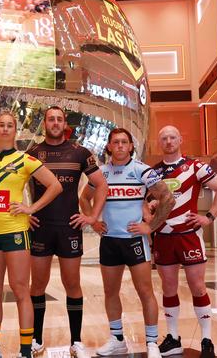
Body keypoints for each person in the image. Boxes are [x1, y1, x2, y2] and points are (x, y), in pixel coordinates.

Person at [0, 111, 61, 358]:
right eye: (2, 125)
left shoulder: (25, 160)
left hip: (16, 233)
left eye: (10, 125)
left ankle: (24, 351)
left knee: (21, 290)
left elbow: (55, 185)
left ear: (15, 131)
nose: (6, 129)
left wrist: (30, 208)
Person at [79, 128, 175, 358]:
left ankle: (152, 342)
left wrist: (150, 227)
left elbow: (167, 198)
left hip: (135, 241)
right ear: (109, 147)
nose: (120, 146)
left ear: (131, 146)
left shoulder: (142, 170)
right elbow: (84, 198)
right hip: (110, 241)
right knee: (110, 291)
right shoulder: (100, 173)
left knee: (145, 291)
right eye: (116, 142)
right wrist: (93, 222)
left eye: (124, 142)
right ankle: (117, 339)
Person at [26, 106, 107, 358]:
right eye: (51, 119)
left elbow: (101, 185)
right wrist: (26, 213)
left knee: (72, 284)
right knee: (37, 285)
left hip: (69, 228)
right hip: (40, 228)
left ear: (65, 124)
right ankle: (36, 339)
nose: (55, 123)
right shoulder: (32, 154)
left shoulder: (80, 153)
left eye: (59, 119)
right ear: (44, 124)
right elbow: (15, 185)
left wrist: (92, 216)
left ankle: (76, 342)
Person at [152, 125, 217, 358]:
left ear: (180, 140)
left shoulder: (196, 166)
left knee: (198, 287)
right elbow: (147, 201)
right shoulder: (154, 172)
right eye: (164, 138)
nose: (168, 141)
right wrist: (151, 209)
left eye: (172, 137)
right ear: (160, 143)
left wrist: (209, 217)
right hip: (164, 237)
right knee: (168, 287)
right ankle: (173, 338)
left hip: (189, 236)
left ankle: (207, 340)